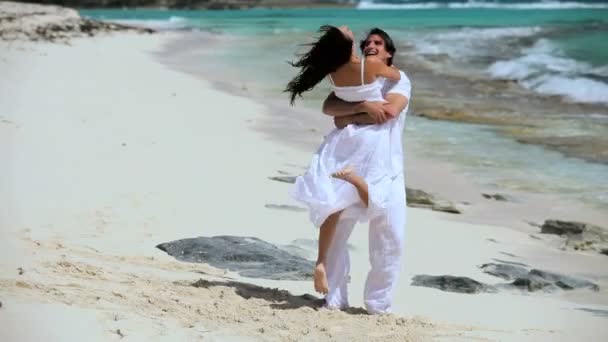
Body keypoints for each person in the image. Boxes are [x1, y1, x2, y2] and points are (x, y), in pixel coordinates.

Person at [285, 25, 403, 297]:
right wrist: (372, 94)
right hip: (366, 144)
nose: (350, 29)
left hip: (339, 142)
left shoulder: (334, 73)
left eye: (377, 43)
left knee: (333, 205)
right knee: (374, 203)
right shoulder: (369, 67)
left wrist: (349, 113)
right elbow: (393, 82)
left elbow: (334, 112)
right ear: (349, 43)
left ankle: (322, 262)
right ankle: (361, 292)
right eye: (350, 32)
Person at [319, 28, 411, 314]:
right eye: (367, 42)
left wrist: (351, 114)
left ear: (388, 53)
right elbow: (329, 107)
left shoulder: (400, 80)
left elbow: (388, 113)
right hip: (351, 160)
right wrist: (362, 106)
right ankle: (333, 299)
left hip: (388, 168)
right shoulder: (354, 76)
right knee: (337, 227)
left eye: (378, 42)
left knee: (389, 237)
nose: (371, 45)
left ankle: (378, 305)